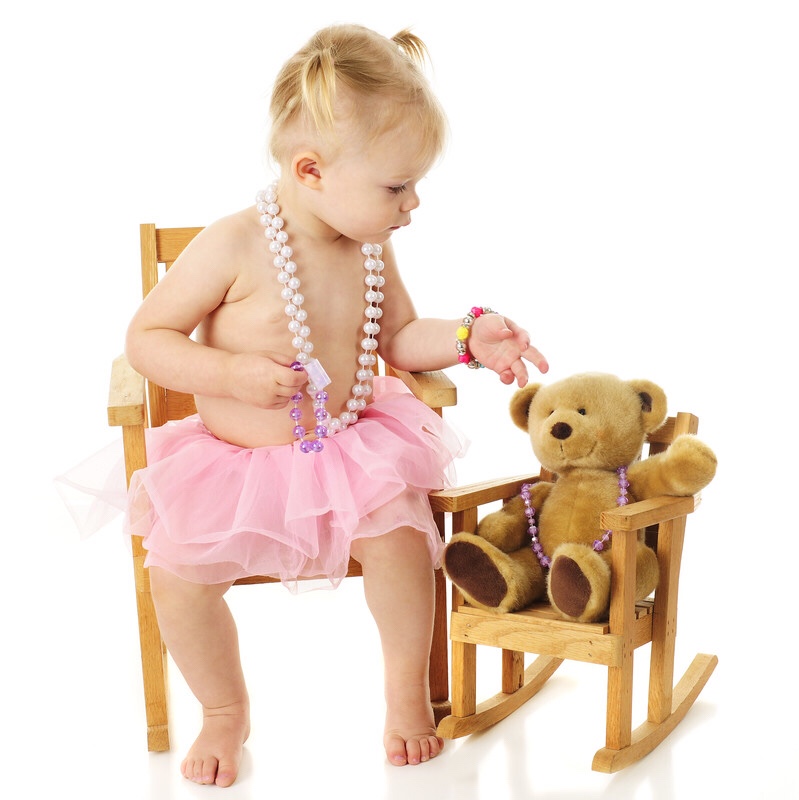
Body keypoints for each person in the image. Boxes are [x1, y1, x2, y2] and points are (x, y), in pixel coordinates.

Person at [123, 23, 548, 787]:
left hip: (347, 452)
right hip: (238, 467)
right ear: (310, 169)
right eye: (396, 186)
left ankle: (405, 695)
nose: (413, 202)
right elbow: (147, 338)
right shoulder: (234, 243)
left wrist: (466, 338)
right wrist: (226, 372)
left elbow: (398, 337)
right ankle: (223, 709)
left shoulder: (369, 244)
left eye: (414, 184)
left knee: (402, 545)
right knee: (178, 580)